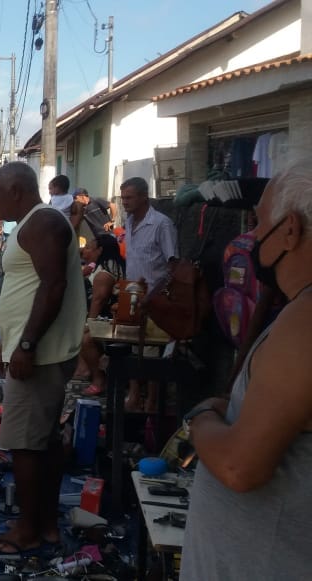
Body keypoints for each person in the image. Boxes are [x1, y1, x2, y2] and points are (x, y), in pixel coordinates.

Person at [180, 163, 312, 580]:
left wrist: (201, 417)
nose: (252, 237)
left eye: (258, 223)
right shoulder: (297, 312)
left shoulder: (305, 322)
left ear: (290, 231)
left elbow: (241, 468)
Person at [0, 162, 86, 555]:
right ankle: (44, 524)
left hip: (40, 355)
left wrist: (26, 346)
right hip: (35, 351)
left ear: (16, 190)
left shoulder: (42, 222)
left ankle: (27, 531)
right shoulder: (33, 222)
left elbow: (53, 285)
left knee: (25, 443)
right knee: (42, 442)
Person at [120, 176, 177, 412]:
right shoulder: (129, 221)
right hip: (132, 293)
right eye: (123, 198)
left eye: (129, 198)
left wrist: (152, 295)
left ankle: (152, 401)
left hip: (155, 297)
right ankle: (134, 394)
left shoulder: (161, 224)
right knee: (132, 345)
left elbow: (173, 265)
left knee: (153, 351)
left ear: (144, 196)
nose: (125, 202)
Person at [77, 234, 126, 396]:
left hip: (110, 320)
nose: (86, 250)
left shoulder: (106, 271)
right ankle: (86, 371)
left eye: (90, 247)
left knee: (85, 339)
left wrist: (89, 323)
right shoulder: (102, 266)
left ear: (100, 250)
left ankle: (99, 379)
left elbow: (99, 299)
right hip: (106, 318)